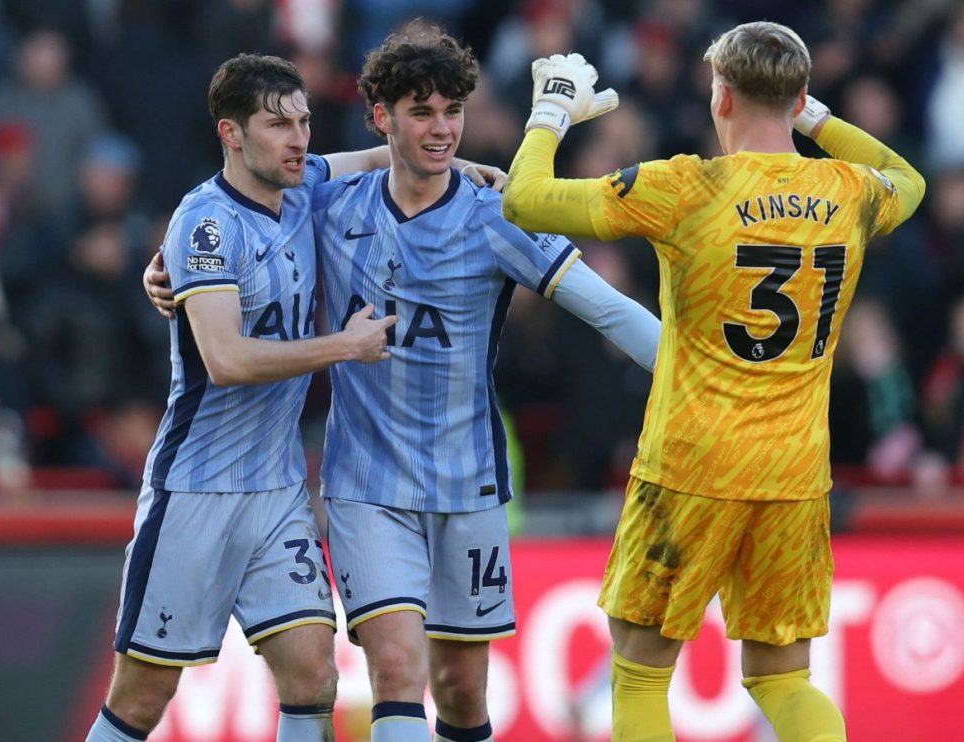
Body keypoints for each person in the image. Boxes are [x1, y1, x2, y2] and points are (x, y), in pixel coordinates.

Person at [144, 24, 660, 742]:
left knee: (461, 691)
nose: (442, 129)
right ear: (381, 118)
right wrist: (168, 269)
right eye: (422, 112)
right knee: (394, 667)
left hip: (469, 484)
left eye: (453, 112)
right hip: (366, 486)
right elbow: (235, 208)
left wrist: (700, 377)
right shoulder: (329, 207)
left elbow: (607, 308)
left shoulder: (496, 216)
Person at [502, 21, 926, 742]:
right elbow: (910, 180)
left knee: (638, 674)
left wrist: (551, 110)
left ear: (720, 96)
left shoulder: (688, 187)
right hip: (794, 470)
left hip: (691, 464)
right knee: (784, 679)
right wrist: (817, 116)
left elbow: (525, 201)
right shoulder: (850, 189)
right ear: (797, 100)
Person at [85, 53, 400, 742]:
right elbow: (225, 361)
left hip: (277, 489)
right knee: (141, 699)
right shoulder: (204, 227)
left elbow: (379, 158)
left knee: (314, 677)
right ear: (231, 134)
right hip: (196, 491)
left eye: (304, 120)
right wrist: (343, 346)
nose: (299, 139)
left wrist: (466, 171)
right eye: (277, 124)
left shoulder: (301, 186)